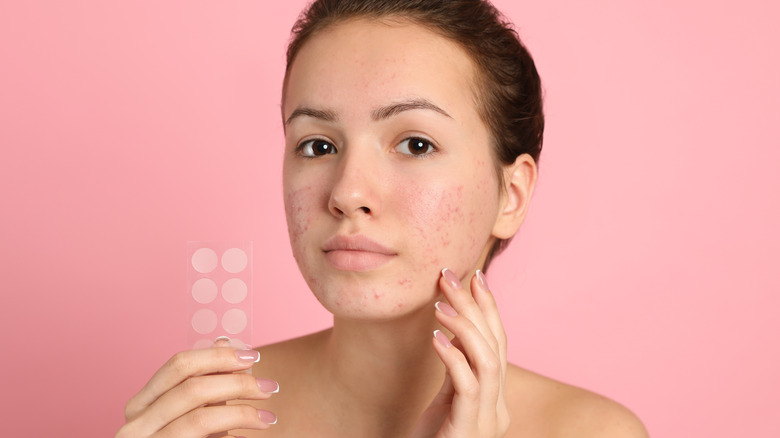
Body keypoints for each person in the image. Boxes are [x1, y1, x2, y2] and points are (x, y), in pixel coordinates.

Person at [117, 1, 648, 437]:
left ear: (510, 195)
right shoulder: (204, 420)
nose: (347, 193)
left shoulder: (593, 433)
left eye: (415, 144)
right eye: (318, 145)